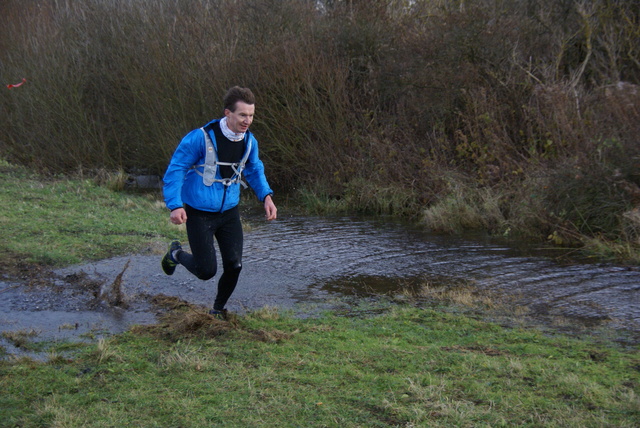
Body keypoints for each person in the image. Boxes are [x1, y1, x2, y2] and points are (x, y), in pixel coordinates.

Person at [161, 86, 277, 319]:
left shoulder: (249, 142)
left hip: (229, 212)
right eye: (242, 115)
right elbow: (176, 169)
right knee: (206, 271)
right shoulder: (200, 137)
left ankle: (217, 309)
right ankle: (176, 254)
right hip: (199, 212)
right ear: (228, 113)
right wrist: (175, 205)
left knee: (235, 265)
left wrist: (266, 196)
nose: (248, 120)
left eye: (251, 115)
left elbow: (254, 169)